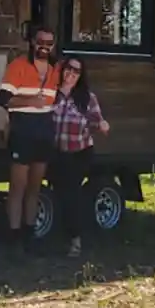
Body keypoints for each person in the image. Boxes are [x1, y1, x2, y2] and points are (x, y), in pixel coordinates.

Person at [0, 26, 61, 249]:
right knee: (18, 187)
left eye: (49, 43)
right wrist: (29, 102)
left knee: (35, 188)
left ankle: (29, 235)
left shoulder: (55, 71)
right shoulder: (18, 67)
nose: (45, 46)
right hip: (22, 133)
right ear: (33, 42)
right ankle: (13, 238)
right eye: (41, 41)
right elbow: (3, 99)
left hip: (44, 135)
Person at [51, 57, 110, 258]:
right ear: (62, 70)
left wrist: (102, 126)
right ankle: (64, 235)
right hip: (57, 152)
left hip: (80, 152)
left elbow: (96, 121)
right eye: (68, 69)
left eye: (76, 71)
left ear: (81, 76)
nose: (71, 73)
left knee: (71, 194)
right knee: (60, 194)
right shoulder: (52, 94)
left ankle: (75, 241)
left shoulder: (87, 97)